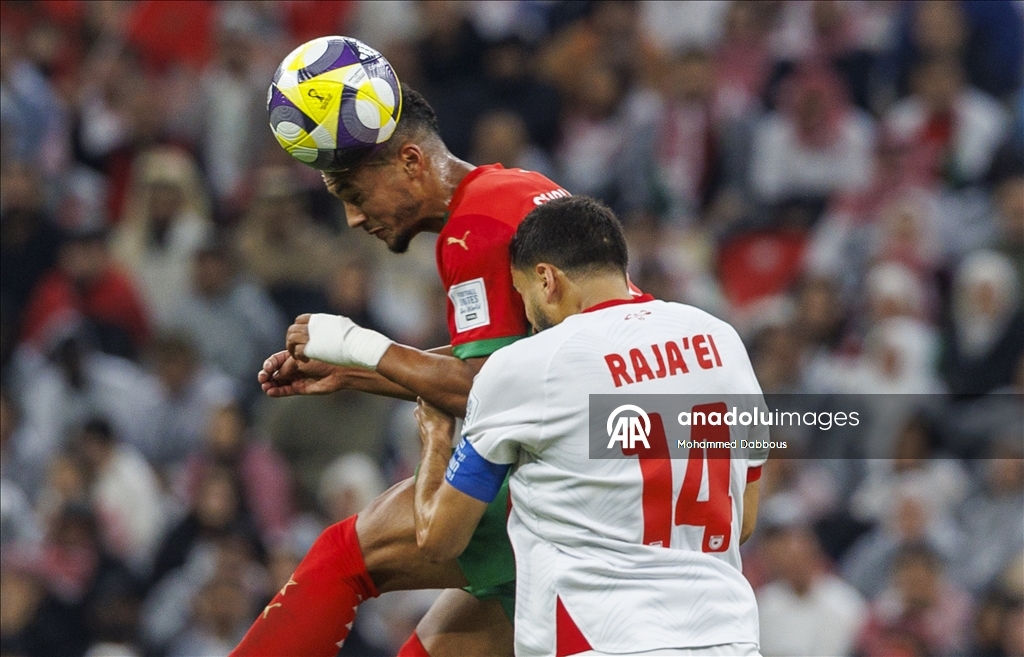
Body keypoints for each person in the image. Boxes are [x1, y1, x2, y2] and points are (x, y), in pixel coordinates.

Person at [232, 87, 575, 657]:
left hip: (569, 478)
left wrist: (361, 348)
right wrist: (351, 371)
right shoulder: (521, 189)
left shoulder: (471, 229)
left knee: (341, 558)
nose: (352, 217)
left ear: (411, 163)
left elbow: (490, 392)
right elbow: (512, 369)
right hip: (621, 467)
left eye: (354, 192)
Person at [413, 196, 768, 656]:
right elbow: (744, 519)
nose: (526, 316)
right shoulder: (721, 338)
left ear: (546, 279)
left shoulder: (526, 366)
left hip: (600, 640)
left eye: (521, 295)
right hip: (729, 638)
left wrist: (437, 440)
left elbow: (440, 540)